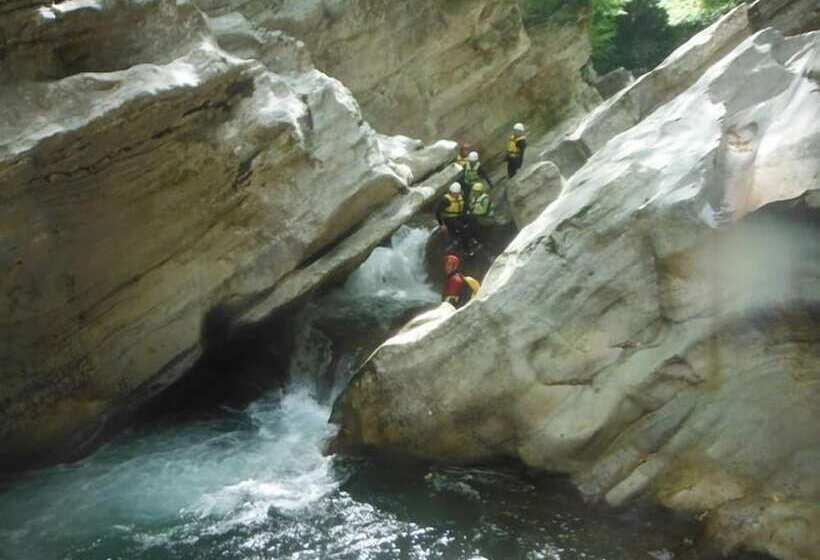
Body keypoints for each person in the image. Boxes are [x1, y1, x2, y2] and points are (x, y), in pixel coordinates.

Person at [435, 183, 468, 250]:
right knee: (461, 229)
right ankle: (466, 248)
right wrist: (442, 224)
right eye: (455, 193)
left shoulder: (460, 197)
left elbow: (465, 206)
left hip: (459, 217)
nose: (457, 195)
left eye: (458, 193)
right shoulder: (446, 200)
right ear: (451, 192)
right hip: (449, 218)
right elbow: (437, 211)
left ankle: (461, 238)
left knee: (469, 221)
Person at [465, 181, 493, 251]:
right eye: (474, 191)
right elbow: (471, 206)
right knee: (471, 224)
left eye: (476, 191)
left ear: (480, 191)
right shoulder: (474, 198)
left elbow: (484, 211)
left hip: (486, 219)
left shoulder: (485, 199)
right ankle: (475, 239)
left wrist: (473, 213)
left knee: (478, 229)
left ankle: (483, 243)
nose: (474, 192)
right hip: (478, 217)